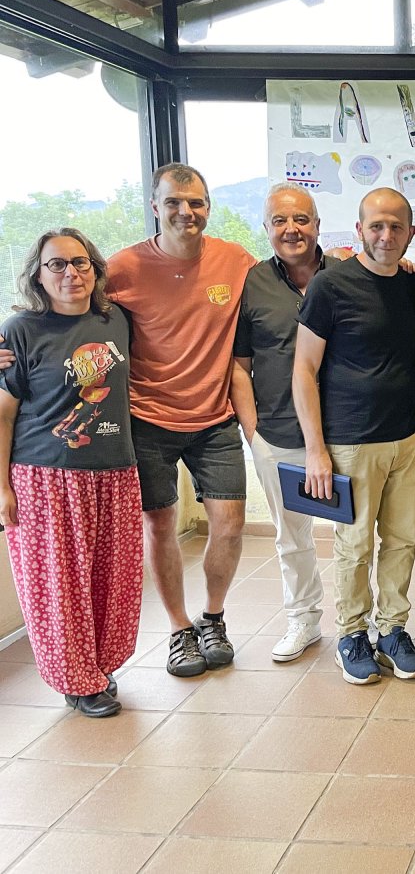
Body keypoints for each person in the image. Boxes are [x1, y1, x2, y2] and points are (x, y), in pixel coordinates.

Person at [106, 163, 256, 678]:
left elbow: (290, 289)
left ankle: (212, 616)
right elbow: (69, 306)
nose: (184, 212)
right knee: (161, 523)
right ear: (155, 207)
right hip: (146, 419)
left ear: (207, 207)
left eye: (194, 203)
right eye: (173, 202)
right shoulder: (122, 268)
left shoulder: (234, 260)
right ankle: (178, 628)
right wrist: (14, 342)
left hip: (215, 419)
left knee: (231, 526)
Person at [0, 229, 142, 717]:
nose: (70, 273)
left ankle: (99, 669)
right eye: (56, 265)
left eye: (79, 262)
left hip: (115, 471)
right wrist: (2, 487)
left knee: (111, 579)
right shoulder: (19, 330)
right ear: (38, 275)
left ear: (95, 269)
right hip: (45, 477)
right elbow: (3, 414)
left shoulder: (115, 319)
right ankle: (76, 682)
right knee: (59, 586)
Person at [293, 187, 415, 686]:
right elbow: (303, 370)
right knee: (354, 546)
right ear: (359, 231)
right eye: (376, 225)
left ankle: (392, 629)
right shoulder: (331, 286)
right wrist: (316, 450)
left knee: (400, 541)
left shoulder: (413, 287)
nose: (386, 235)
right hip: (350, 442)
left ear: (411, 233)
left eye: (396, 226)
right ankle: (351, 635)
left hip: (408, 439)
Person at [231, 184, 360, 663]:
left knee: (357, 534)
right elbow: (239, 364)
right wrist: (253, 433)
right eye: (280, 221)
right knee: (292, 534)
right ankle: (303, 619)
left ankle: (357, 624)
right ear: (266, 229)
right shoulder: (253, 284)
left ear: (318, 225)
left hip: (348, 431)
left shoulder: (351, 272)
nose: (292, 230)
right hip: (279, 433)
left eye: (301, 219)